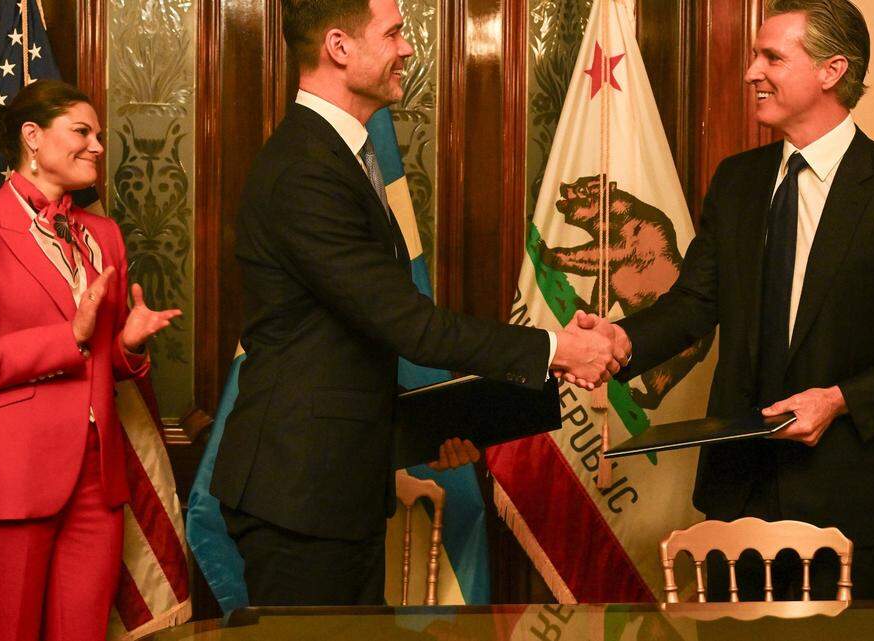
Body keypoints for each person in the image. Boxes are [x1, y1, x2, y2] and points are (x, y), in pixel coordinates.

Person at [210, 0, 629, 606]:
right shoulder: (305, 168)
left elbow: (341, 344)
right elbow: (408, 324)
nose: (408, 48)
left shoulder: (337, 154)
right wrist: (558, 348)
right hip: (297, 495)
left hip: (333, 488)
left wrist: (435, 429)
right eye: (394, 34)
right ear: (339, 47)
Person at [584, 0, 874, 599]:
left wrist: (840, 399)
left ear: (832, 70)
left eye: (772, 57)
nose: (751, 72)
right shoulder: (737, 181)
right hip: (737, 491)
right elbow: (695, 302)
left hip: (850, 494)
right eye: (755, 56)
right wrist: (623, 339)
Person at [0, 80, 181, 641]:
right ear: (32, 137)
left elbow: (100, 360)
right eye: (82, 132)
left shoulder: (104, 236)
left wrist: (129, 345)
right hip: (11, 480)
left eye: (98, 135)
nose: (98, 146)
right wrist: (69, 335)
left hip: (98, 481)